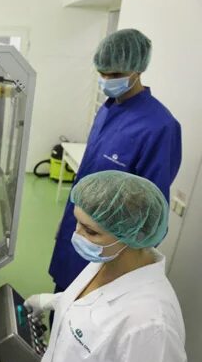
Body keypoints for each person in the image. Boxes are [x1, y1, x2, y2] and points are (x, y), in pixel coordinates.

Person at [49, 29, 182, 297]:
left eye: (116, 75)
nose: (107, 80)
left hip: (109, 250)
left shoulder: (160, 127)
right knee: (63, 301)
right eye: (103, 73)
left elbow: (150, 214)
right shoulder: (108, 108)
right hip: (78, 232)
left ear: (137, 70)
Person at [27, 171, 186, 362]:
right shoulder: (108, 258)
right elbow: (92, 303)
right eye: (77, 222)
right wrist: (48, 301)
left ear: (133, 235)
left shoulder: (152, 326)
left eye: (90, 231)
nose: (77, 234)